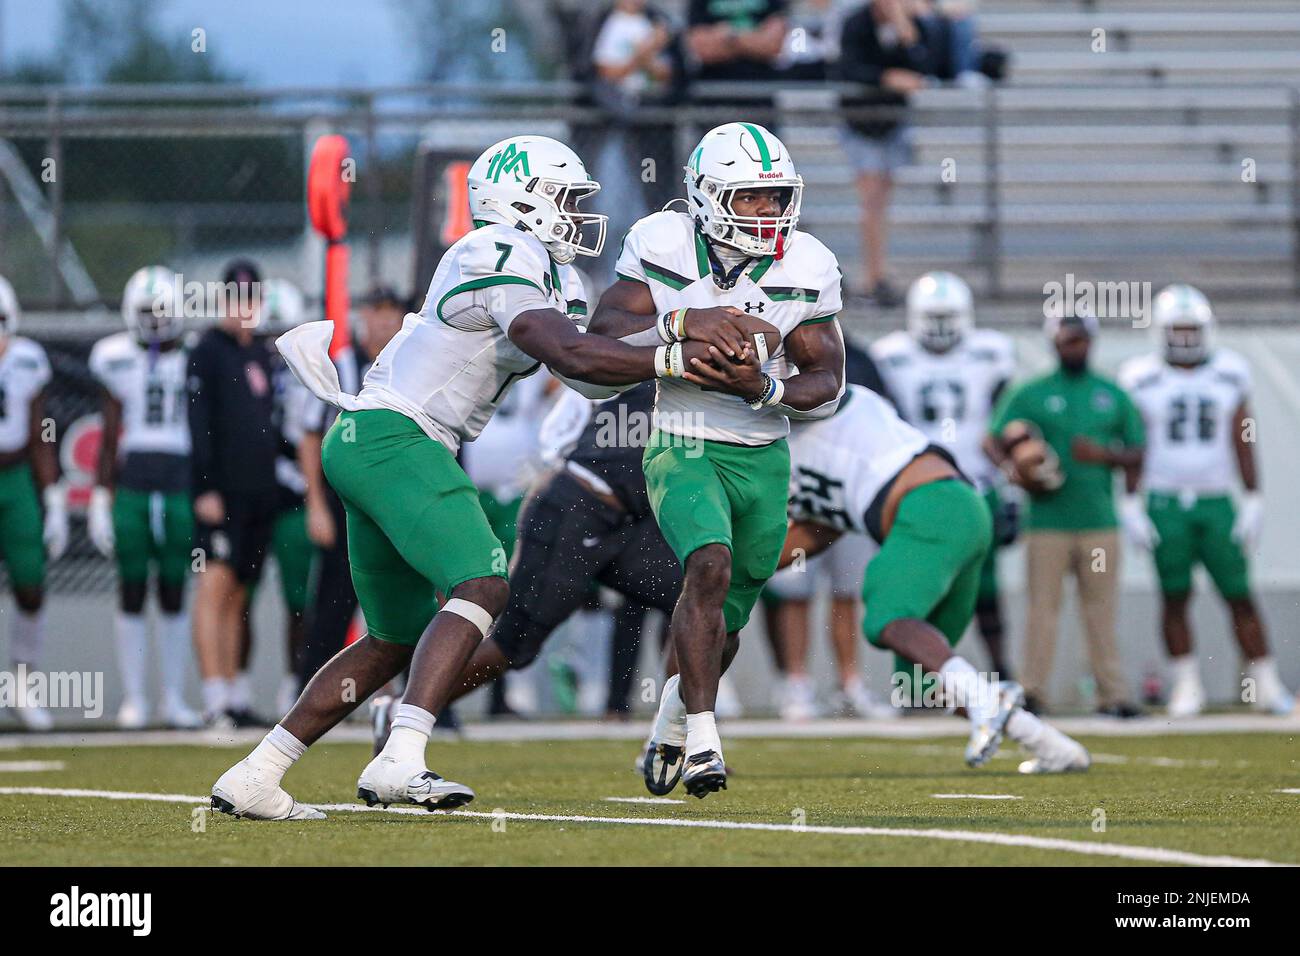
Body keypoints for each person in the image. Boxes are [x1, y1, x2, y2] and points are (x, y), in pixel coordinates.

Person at [211, 134, 722, 820]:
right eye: (565, 200)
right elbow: (569, 349)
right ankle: (401, 758)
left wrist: (673, 332)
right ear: (521, 202)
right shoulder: (497, 250)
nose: (576, 214)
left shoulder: (550, 273)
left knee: (395, 637)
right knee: (483, 581)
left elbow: (586, 373)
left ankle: (258, 772)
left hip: (382, 441)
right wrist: (677, 348)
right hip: (396, 435)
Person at [591, 122, 846, 798]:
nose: (769, 211)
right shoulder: (662, 243)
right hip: (683, 437)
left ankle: (672, 721)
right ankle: (706, 745)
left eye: (775, 195)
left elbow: (827, 382)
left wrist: (766, 386)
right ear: (706, 197)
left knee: (726, 619)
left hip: (763, 453)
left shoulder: (809, 263)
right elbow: (605, 333)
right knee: (708, 563)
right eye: (751, 197)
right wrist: (682, 324)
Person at [773, 384, 1089, 776]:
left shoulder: (831, 401)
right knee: (921, 681)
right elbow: (813, 530)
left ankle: (985, 701)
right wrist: (730, 569)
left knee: (884, 614)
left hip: (930, 507)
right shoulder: (795, 450)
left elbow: (818, 385)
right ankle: (1048, 743)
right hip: (959, 512)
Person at [446, 381, 682, 712]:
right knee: (512, 645)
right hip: (574, 509)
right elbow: (554, 439)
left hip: (629, 522)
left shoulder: (696, 380)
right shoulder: (625, 361)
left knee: (698, 600)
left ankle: (679, 732)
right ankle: (413, 710)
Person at [1118, 285, 1294, 717]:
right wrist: (1130, 502)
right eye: (1176, 329)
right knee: (1174, 597)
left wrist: (1252, 497)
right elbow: (1134, 443)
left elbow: (1242, 436)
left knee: (1239, 594)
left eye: (1191, 329)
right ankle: (1187, 685)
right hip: (1164, 501)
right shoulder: (1139, 376)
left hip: (1217, 500)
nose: (1184, 338)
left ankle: (1267, 684)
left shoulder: (1231, 372)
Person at [985, 310, 1145, 718]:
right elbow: (993, 438)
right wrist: (1015, 473)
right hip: (1047, 521)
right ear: (1055, 344)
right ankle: (1033, 692)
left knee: (1101, 610)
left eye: (1081, 340)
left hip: (1099, 521)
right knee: (1042, 609)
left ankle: (1112, 694)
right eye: (1068, 340)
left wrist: (1104, 456)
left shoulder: (1110, 392)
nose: (1076, 347)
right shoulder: (1032, 391)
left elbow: (1138, 449)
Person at [871, 271, 1018, 679]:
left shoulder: (992, 352)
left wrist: (1010, 493)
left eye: (947, 317)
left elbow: (1004, 424)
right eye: (932, 317)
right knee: (920, 590)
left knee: (986, 591)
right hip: (918, 489)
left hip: (979, 484)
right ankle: (916, 684)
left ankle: (1001, 675)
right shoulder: (892, 356)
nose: (939, 328)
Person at [87, 266, 201, 729]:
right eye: (147, 313)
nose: (154, 322)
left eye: (161, 312)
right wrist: (100, 493)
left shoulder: (195, 356)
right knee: (132, 587)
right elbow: (110, 433)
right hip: (134, 481)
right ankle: (135, 697)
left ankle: (172, 697)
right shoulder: (113, 356)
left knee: (174, 588)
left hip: (179, 479)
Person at [295, 288, 406, 687]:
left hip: (398, 502)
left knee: (408, 601)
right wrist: (315, 505)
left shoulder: (410, 366)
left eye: (392, 312)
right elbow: (309, 436)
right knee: (332, 604)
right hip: (345, 502)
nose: (384, 321)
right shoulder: (340, 364)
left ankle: (423, 702)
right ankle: (308, 694)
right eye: (376, 311)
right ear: (361, 316)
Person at [187, 259, 280, 727]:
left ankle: (237, 695)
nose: (243, 308)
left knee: (241, 593)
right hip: (221, 492)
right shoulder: (207, 350)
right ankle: (214, 698)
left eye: (251, 298)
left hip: (258, 492)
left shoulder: (260, 353)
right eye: (235, 298)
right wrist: (204, 486)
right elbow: (198, 424)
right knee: (215, 588)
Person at [0, 275, 66, 730]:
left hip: (17, 476)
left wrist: (55, 497)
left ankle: (22, 687)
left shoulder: (27, 359)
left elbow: (42, 432)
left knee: (30, 581)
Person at [836, 0, 932, 307]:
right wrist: (885, 78)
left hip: (891, 122)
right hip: (862, 123)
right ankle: (872, 276)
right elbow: (847, 68)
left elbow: (925, 65)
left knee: (881, 201)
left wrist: (906, 30)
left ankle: (878, 273)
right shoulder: (855, 22)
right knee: (871, 201)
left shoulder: (908, 23)